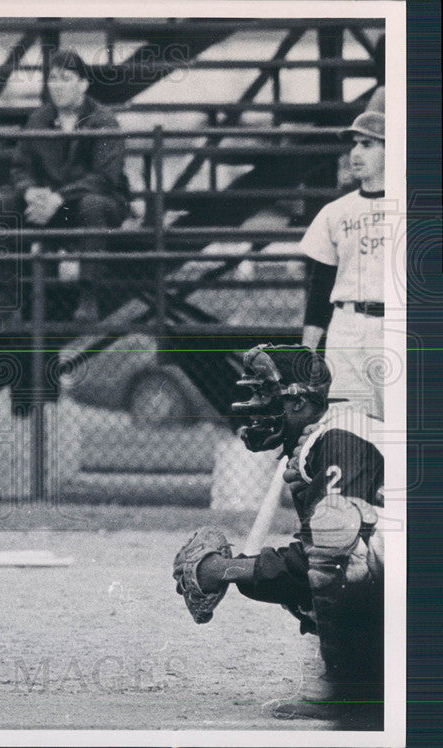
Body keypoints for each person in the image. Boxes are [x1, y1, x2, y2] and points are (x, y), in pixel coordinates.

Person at [173, 344, 384, 728]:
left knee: (335, 552)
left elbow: (338, 552)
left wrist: (230, 570)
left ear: (300, 403)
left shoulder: (339, 439)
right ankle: (345, 685)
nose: (254, 404)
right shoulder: (323, 437)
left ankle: (357, 692)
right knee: (323, 550)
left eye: (264, 394)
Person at [0, 48, 131, 320]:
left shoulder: (103, 120)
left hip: (89, 204)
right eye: (53, 78)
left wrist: (59, 198)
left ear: (83, 84)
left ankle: (88, 295)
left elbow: (105, 177)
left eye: (65, 78)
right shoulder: (39, 119)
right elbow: (20, 167)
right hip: (48, 203)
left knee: (93, 205)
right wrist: (30, 191)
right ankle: (8, 294)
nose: (57, 86)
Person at [300, 111, 386, 417]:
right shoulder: (336, 212)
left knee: (402, 428)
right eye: (354, 145)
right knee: (347, 425)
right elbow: (321, 282)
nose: (355, 153)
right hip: (347, 325)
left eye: (367, 144)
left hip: (397, 325)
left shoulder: (412, 208)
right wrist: (308, 349)